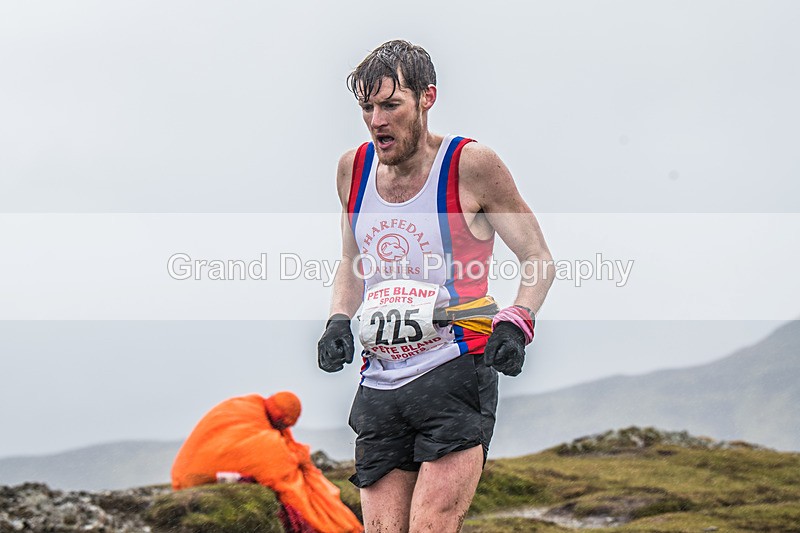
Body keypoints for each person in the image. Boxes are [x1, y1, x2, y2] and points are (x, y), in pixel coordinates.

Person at [317, 40, 554, 532]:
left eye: (391, 105)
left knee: (431, 526)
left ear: (427, 97)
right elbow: (352, 261)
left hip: (455, 370)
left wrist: (517, 322)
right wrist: (338, 319)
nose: (377, 121)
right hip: (380, 380)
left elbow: (537, 258)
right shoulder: (352, 170)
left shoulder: (471, 165)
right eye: (367, 108)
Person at [171, 391, 363, 533]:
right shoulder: (260, 434)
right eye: (284, 425)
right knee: (296, 481)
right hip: (194, 479)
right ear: (280, 419)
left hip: (181, 475)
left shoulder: (243, 404)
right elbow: (276, 470)